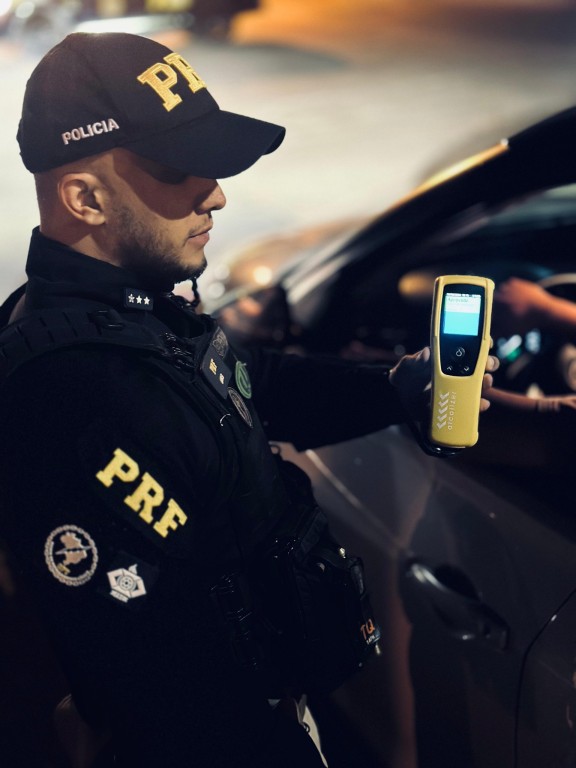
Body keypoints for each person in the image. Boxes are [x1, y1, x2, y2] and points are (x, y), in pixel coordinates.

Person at [0, 32, 496, 768]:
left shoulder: (131, 305)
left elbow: (236, 381)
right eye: (179, 169)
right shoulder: (77, 395)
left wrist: (392, 391)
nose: (217, 194)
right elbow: (159, 687)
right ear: (85, 198)